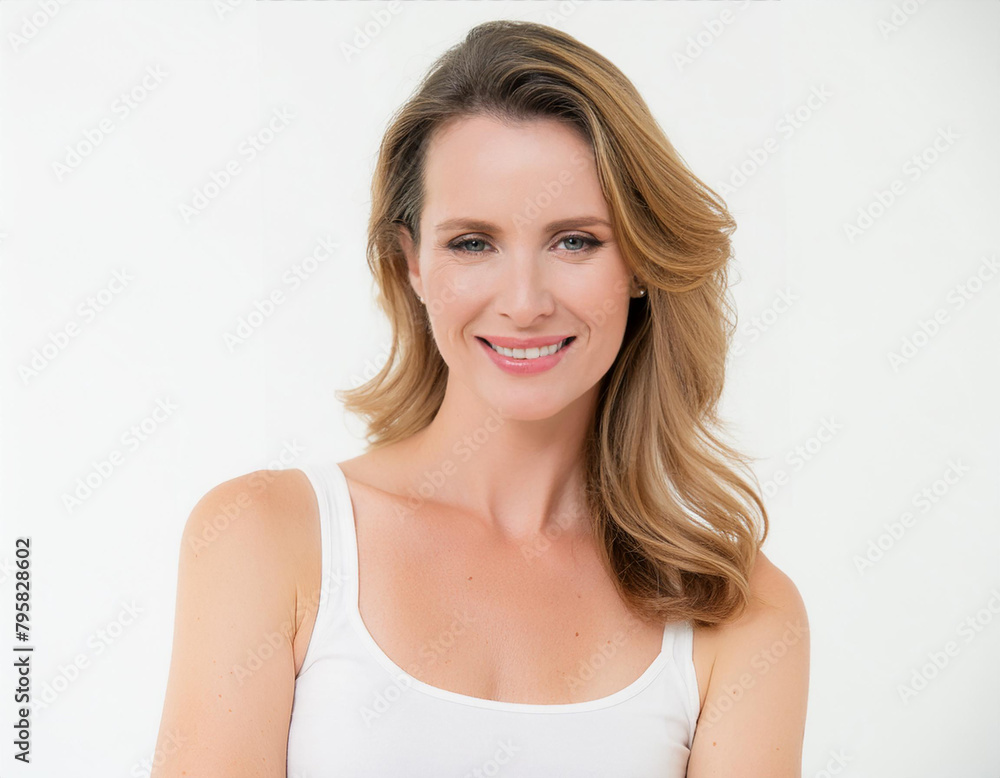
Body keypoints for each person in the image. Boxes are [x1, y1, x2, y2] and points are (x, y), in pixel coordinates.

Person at [151, 19, 809, 778]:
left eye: (575, 241)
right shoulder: (263, 539)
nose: (524, 303)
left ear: (639, 262)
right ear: (412, 267)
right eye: (473, 242)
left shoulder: (740, 613)